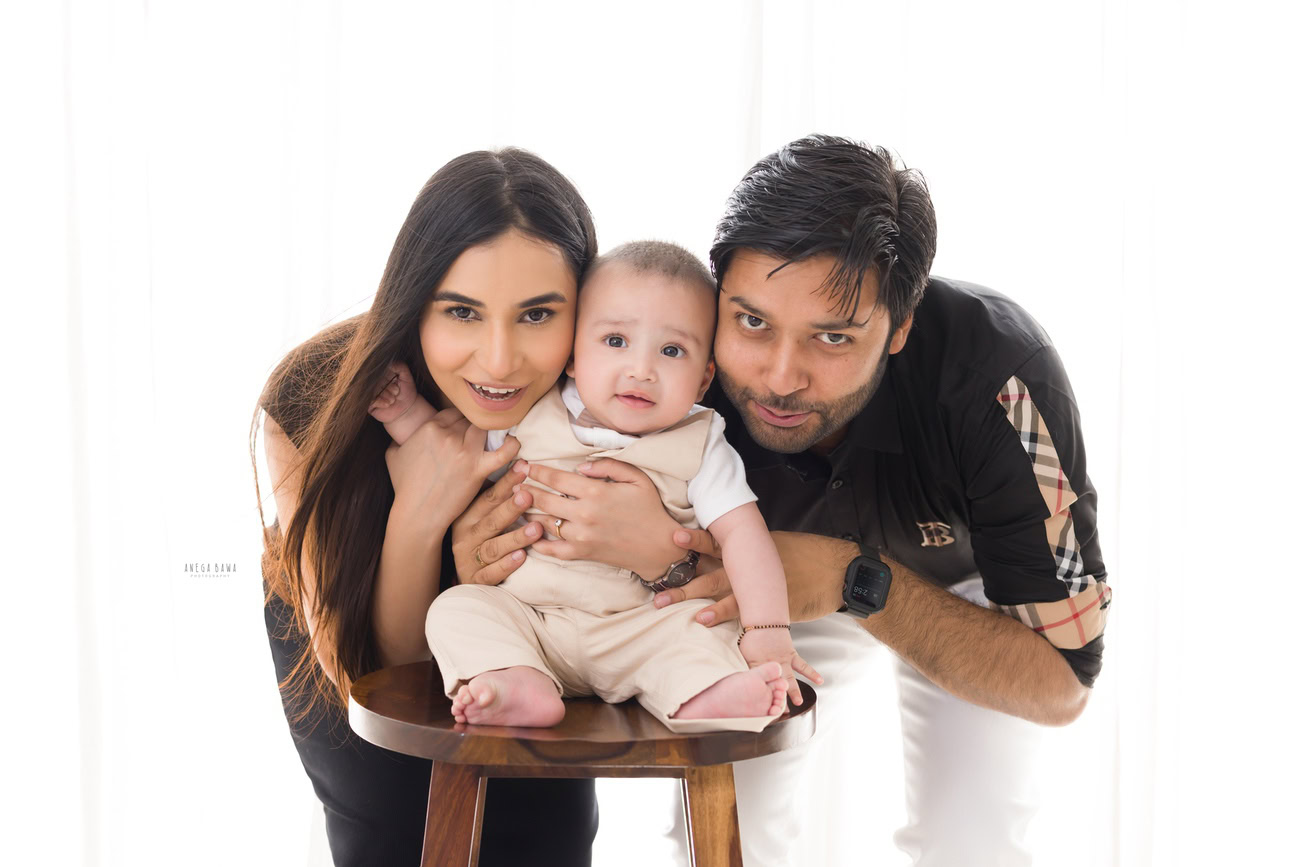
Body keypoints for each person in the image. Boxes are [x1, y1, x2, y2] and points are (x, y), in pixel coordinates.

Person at [462, 135, 1111, 866]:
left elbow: (1063, 683)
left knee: (974, 838)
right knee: (728, 821)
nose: (778, 376)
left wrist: (851, 578)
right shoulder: (675, 355)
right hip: (761, 585)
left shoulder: (1007, 384)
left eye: (832, 336)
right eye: (752, 322)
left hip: (959, 591)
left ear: (901, 325)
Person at [252, 148, 611, 866]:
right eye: (462, 312)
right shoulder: (312, 397)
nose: (500, 359)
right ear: (414, 300)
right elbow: (377, 672)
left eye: (538, 314)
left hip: (528, 706)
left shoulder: (607, 389)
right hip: (364, 709)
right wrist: (423, 506)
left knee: (546, 838)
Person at [367, 240, 822, 732]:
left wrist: (769, 632)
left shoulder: (703, 442)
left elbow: (744, 536)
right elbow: (453, 457)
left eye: (672, 351)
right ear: (572, 357)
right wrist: (405, 414)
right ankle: (517, 681)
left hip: (646, 626)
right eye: (615, 341)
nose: (641, 369)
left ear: (702, 379)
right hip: (534, 620)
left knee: (704, 635)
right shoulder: (531, 413)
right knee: (457, 609)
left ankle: (708, 696)